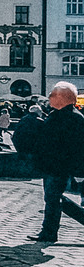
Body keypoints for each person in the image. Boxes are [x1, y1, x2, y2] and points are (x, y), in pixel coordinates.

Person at [18, 82, 84, 244]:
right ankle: (49, 231)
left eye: (53, 94)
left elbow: (78, 147)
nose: (49, 98)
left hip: (60, 166)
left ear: (64, 98)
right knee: (52, 198)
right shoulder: (56, 115)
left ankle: (49, 232)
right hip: (50, 164)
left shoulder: (74, 118)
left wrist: (78, 171)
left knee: (53, 198)